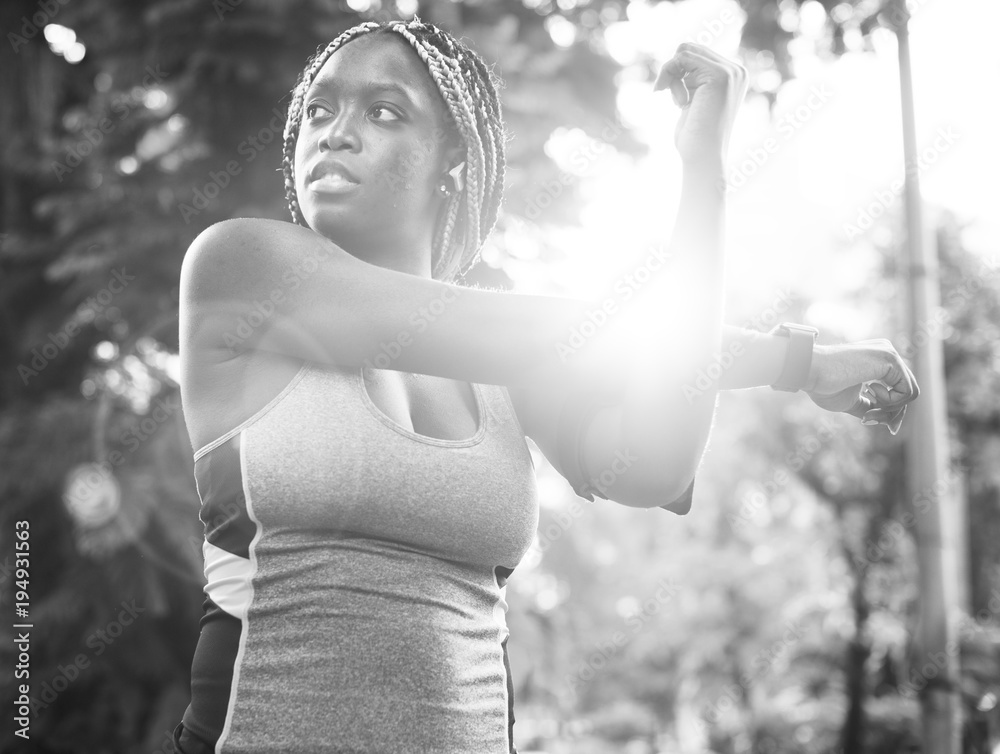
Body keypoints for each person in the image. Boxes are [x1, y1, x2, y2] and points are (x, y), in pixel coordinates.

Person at [170, 16, 919, 754]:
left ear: (452, 163)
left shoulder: (506, 368)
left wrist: (704, 177)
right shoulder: (242, 269)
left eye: (384, 111)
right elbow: (572, 335)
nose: (334, 131)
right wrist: (797, 362)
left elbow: (658, 462)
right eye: (319, 110)